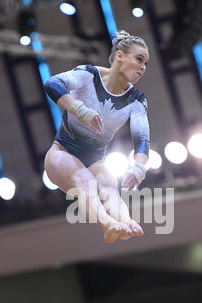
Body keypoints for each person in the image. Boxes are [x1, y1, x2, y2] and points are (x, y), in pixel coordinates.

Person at [44, 30, 150, 243]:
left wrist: (138, 168)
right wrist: (79, 109)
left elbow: (142, 139)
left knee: (109, 185)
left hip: (93, 161)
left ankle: (125, 222)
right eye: (139, 59)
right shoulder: (89, 75)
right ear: (119, 55)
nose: (143, 68)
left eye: (146, 63)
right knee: (86, 181)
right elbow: (52, 84)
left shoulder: (136, 101)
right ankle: (107, 224)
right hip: (61, 153)